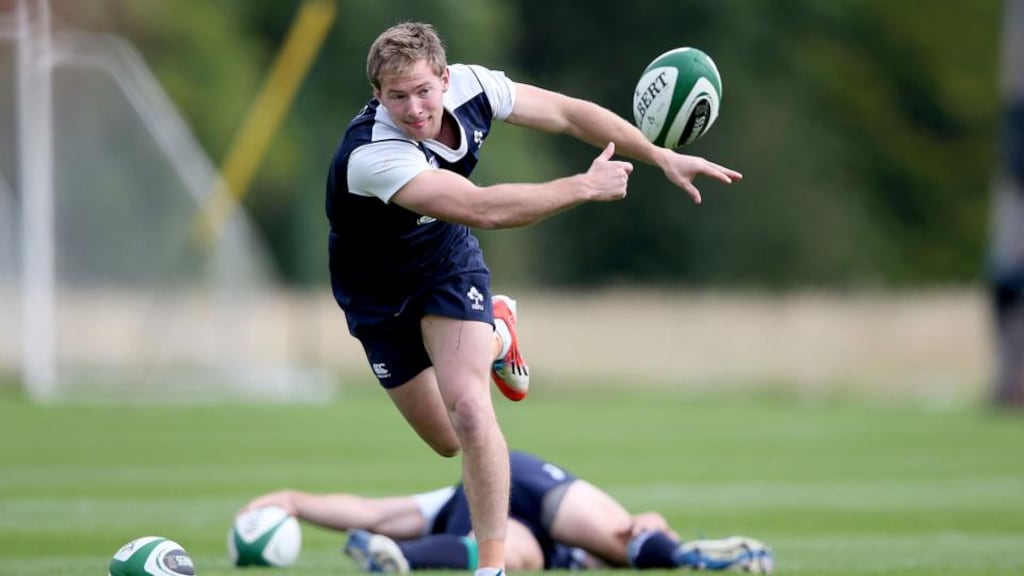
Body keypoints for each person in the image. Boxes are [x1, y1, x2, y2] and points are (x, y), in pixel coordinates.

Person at [325, 21, 744, 576]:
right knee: (448, 440)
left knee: (473, 411)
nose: (415, 108)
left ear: (445, 79)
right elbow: (483, 209)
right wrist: (583, 187)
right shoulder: (372, 154)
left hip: (445, 262)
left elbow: (570, 114)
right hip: (376, 293)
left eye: (424, 91)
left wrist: (658, 155)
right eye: (397, 97)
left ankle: (491, 568)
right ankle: (497, 330)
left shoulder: (476, 87)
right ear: (378, 96)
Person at [239, 450, 774, 573]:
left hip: (511, 494)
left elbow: (372, 513)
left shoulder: (446, 503)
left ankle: (403, 557)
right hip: (522, 486)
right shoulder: (449, 502)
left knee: (525, 552)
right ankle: (681, 557)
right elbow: (369, 511)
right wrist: (293, 501)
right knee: (613, 541)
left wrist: (293, 502)